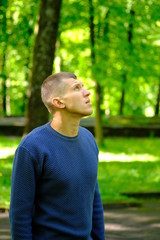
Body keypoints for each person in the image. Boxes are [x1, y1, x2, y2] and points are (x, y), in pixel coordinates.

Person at [9, 72, 105, 239]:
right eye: (77, 88)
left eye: (83, 86)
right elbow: (20, 214)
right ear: (58, 102)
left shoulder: (89, 139)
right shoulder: (32, 147)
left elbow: (93, 200)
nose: (87, 92)